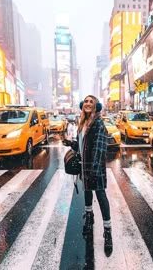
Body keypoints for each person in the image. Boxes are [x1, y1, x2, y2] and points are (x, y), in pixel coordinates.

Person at [63, 95, 113, 257]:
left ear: (96, 106)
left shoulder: (98, 124)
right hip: (85, 167)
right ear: (82, 105)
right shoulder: (82, 124)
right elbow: (81, 146)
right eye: (86, 101)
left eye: (91, 102)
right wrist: (71, 144)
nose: (88, 104)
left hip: (95, 168)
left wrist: (93, 170)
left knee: (101, 196)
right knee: (86, 192)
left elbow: (99, 150)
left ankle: (107, 232)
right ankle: (89, 218)